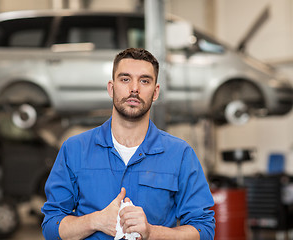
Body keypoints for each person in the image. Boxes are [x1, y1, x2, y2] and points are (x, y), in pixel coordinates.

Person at [41, 48, 215, 240]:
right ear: (111, 87)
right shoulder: (74, 150)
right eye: (125, 79)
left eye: (144, 81)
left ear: (155, 92)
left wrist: (152, 232)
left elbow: (204, 230)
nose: (134, 88)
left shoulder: (180, 154)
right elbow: (51, 226)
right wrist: (95, 221)